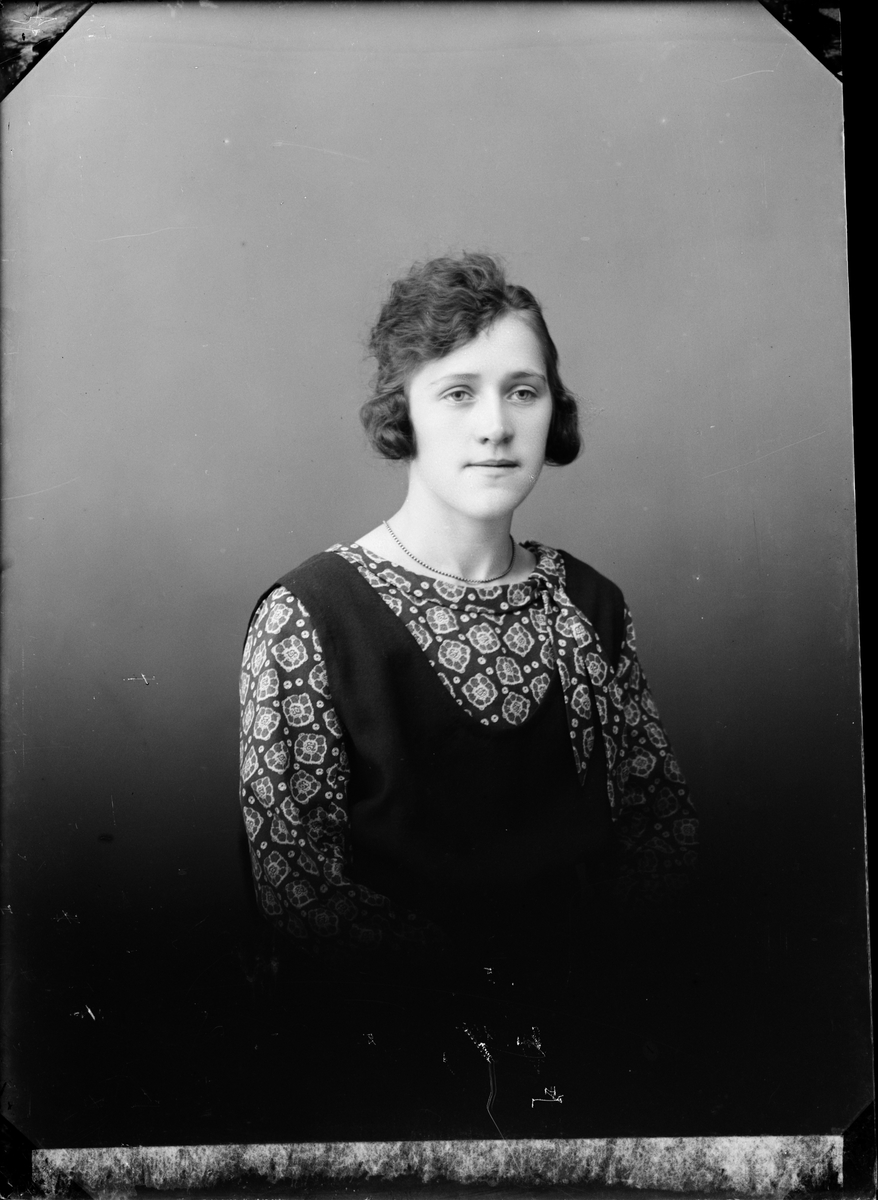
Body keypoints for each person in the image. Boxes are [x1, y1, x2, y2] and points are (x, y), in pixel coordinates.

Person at [238, 253, 697, 1012]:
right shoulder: (310, 617)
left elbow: (661, 823)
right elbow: (298, 884)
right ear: (404, 414)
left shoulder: (588, 604)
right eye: (458, 393)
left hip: (581, 1023)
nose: (496, 426)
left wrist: (589, 985)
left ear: (554, 411)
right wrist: (487, 997)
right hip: (392, 1031)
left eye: (523, 391)